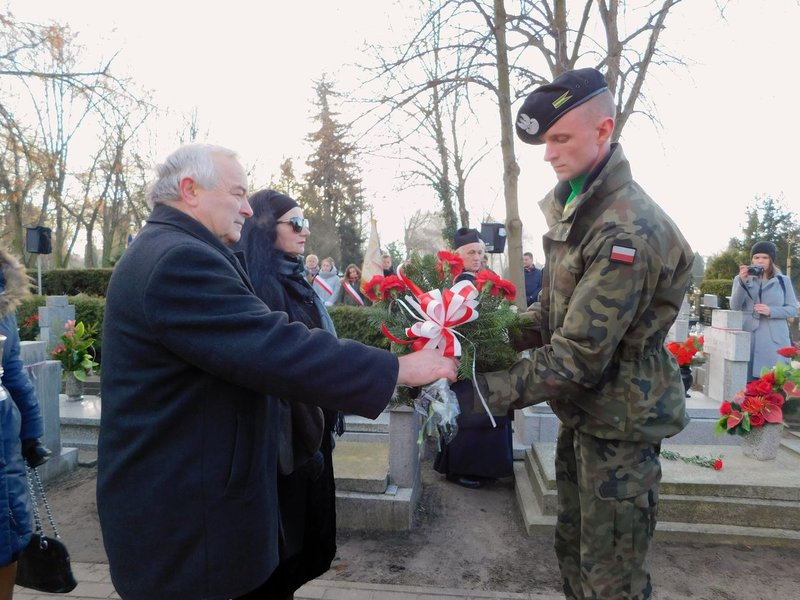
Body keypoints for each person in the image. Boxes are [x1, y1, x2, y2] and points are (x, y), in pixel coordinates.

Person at [96, 144, 457, 600]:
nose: (249, 208)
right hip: (190, 527)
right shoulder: (177, 260)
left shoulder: (180, 249)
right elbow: (274, 346)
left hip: (196, 510)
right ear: (190, 190)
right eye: (238, 193)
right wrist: (398, 368)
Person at [466, 69, 693, 599]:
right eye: (546, 141)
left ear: (603, 130)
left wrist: (475, 392)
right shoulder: (583, 212)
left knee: (610, 578)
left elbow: (577, 355)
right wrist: (472, 338)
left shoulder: (624, 229)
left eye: (560, 138)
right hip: (589, 416)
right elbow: (549, 316)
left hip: (619, 425)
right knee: (573, 552)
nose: (548, 154)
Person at [236, 190, 343, 599]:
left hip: (313, 436)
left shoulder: (296, 280)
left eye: (306, 223)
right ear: (266, 228)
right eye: (295, 223)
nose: (305, 231)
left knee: (307, 547)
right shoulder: (259, 288)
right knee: (278, 555)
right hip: (285, 447)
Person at [433, 227, 514, 489]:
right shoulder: (461, 282)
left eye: (480, 251)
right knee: (471, 412)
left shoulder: (480, 279)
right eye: (471, 252)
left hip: (485, 359)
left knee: (484, 409)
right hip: (470, 357)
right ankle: (465, 468)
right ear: (458, 256)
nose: (478, 256)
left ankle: (479, 467)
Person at [0, 248, 51, 599]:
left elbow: (13, 368)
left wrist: (31, 434)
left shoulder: (2, 293)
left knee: (8, 532)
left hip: (2, 438)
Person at [730, 241, 798, 380]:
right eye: (756, 257)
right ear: (752, 260)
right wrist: (743, 282)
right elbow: (735, 306)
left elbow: (793, 309)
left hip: (774, 339)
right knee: (746, 382)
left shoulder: (783, 281)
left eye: (765, 257)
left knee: (773, 381)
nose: (760, 261)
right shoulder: (741, 279)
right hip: (749, 337)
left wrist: (771, 311)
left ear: (771, 260)